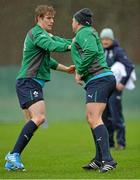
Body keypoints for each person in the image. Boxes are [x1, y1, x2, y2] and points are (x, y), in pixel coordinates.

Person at [5, 5, 75, 171]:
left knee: (33, 121)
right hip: (28, 81)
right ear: (39, 19)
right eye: (48, 18)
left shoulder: (43, 35)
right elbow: (53, 45)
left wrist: (66, 69)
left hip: (31, 82)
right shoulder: (37, 33)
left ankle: (11, 161)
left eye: (52, 18)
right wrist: (73, 46)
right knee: (40, 117)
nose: (52, 20)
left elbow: (49, 56)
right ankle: (13, 154)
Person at [71, 8, 117, 173]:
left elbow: (91, 51)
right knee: (92, 117)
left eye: (73, 20)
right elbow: (77, 47)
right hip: (100, 79)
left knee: (94, 118)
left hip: (100, 79)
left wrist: (80, 71)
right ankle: (99, 159)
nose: (72, 23)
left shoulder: (84, 32)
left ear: (78, 22)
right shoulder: (85, 33)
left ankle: (108, 160)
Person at [100, 28, 134, 149]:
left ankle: (121, 142)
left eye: (107, 39)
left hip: (115, 89)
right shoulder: (100, 51)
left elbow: (130, 66)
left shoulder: (117, 51)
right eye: (103, 39)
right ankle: (110, 143)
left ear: (112, 39)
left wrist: (122, 83)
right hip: (104, 89)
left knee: (116, 116)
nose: (105, 41)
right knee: (105, 117)